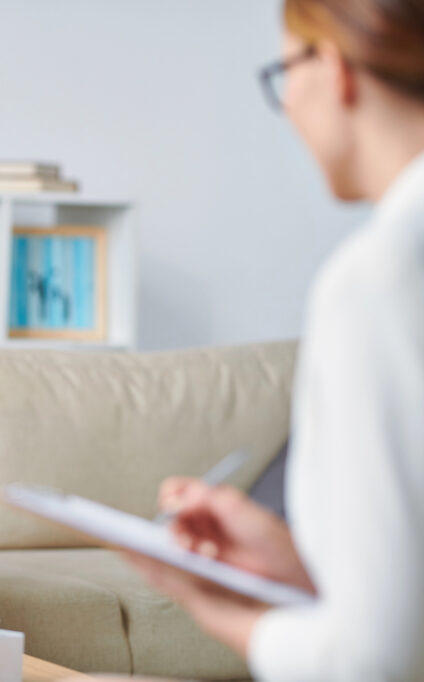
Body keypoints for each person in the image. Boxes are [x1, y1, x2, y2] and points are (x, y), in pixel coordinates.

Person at [124, 1, 424, 679]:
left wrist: (223, 615)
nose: (288, 104)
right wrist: (300, 566)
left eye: (286, 70)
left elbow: (373, 662)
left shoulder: (379, 278)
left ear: (336, 67)